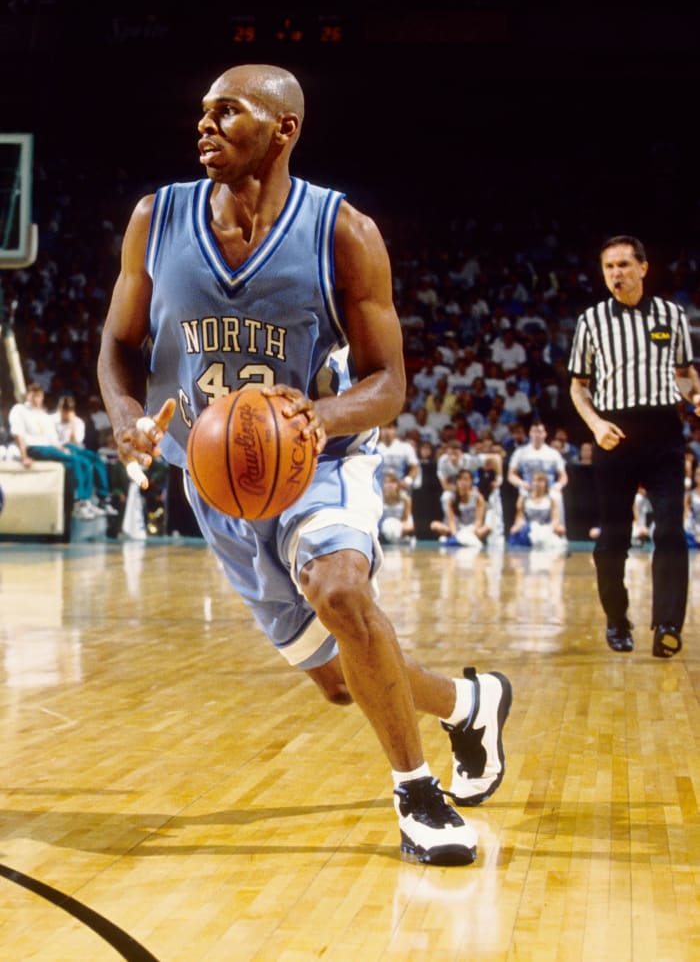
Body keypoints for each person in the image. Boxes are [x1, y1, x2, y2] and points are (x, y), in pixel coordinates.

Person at [97, 63, 512, 866]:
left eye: (229, 111)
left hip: (320, 459)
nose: (205, 125)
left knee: (341, 591)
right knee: (335, 676)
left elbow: (390, 381)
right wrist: (123, 417)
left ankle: (417, 796)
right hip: (215, 481)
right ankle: (469, 703)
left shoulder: (343, 232)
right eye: (202, 112)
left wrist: (314, 419)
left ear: (283, 129)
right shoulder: (157, 218)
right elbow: (118, 344)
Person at [568, 234, 700, 657]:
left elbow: (683, 373)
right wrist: (595, 424)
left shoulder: (671, 315)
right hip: (614, 434)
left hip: (663, 433)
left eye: (624, 265)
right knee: (613, 539)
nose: (616, 274)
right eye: (609, 267)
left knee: (670, 531)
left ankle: (667, 625)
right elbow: (578, 387)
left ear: (644, 268)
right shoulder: (591, 321)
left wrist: (695, 394)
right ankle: (617, 617)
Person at [9, 382, 103, 519]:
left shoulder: (44, 415)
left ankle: (85, 501)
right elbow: (18, 434)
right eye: (33, 396)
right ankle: (78, 501)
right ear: (28, 396)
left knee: (84, 461)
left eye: (39, 396)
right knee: (74, 460)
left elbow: (53, 439)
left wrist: (63, 449)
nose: (36, 400)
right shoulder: (19, 410)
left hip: (50, 448)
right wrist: (24, 456)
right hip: (33, 448)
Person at [430, 467, 491, 547]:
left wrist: (472, 531)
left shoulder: (478, 498)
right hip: (455, 528)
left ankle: (464, 539)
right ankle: (456, 539)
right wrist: (455, 535)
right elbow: (451, 521)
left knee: (487, 528)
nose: (463, 482)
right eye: (460, 479)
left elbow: (478, 521)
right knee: (434, 525)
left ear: (471, 482)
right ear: (457, 482)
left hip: (471, 529)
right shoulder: (451, 499)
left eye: (466, 479)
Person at [508, 470, 567, 552]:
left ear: (545, 484)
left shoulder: (551, 500)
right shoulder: (524, 499)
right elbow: (519, 517)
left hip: (545, 528)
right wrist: (517, 526)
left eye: (540, 481)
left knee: (560, 530)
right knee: (515, 532)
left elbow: (555, 519)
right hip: (529, 528)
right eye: (535, 481)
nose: (537, 484)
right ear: (532, 483)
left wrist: (548, 530)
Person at [379, 469, 415, 545]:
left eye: (392, 482)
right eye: (387, 482)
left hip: (400, 528)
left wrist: (397, 528)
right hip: (381, 530)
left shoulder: (406, 500)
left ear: (397, 484)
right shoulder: (378, 499)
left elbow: (407, 522)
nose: (390, 485)